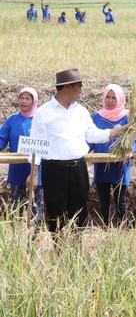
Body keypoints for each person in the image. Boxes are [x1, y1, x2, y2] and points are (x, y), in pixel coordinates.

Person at [27, 69, 128, 234]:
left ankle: (75, 250)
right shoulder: (43, 112)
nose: (81, 91)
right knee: (56, 212)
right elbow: (36, 146)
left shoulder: (81, 111)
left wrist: (119, 131)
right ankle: (58, 249)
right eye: (78, 87)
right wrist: (33, 173)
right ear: (67, 87)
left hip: (78, 168)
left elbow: (94, 134)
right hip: (54, 169)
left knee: (79, 211)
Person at [89, 84, 135, 226]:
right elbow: (91, 138)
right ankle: (105, 227)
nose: (110, 101)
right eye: (107, 97)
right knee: (103, 200)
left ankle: (121, 228)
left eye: (114, 98)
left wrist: (131, 151)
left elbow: (135, 139)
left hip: (120, 165)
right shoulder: (97, 117)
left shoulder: (128, 116)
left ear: (120, 99)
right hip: (101, 164)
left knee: (120, 199)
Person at [0, 88, 43, 220]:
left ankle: (35, 239)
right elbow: (1, 140)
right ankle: (16, 239)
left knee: (36, 213)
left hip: (36, 174)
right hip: (17, 172)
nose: (23, 101)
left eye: (27, 98)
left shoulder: (40, 120)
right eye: (21, 98)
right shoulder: (12, 120)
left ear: (34, 101)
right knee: (15, 213)